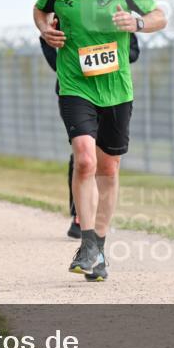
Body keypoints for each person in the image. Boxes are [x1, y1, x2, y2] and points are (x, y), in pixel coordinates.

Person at [33, 0, 166, 282]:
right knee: (85, 159)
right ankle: (87, 241)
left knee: (109, 169)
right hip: (75, 85)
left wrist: (137, 24)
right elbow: (40, 10)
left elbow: (159, 17)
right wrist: (45, 30)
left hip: (116, 89)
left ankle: (99, 247)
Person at [40, 32, 140, 241]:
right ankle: (80, 216)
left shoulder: (115, 16)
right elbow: (50, 48)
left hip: (112, 93)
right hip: (75, 91)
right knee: (84, 157)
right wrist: (71, 64)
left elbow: (133, 52)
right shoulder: (65, 14)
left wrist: (100, 54)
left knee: (105, 162)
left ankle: (98, 227)